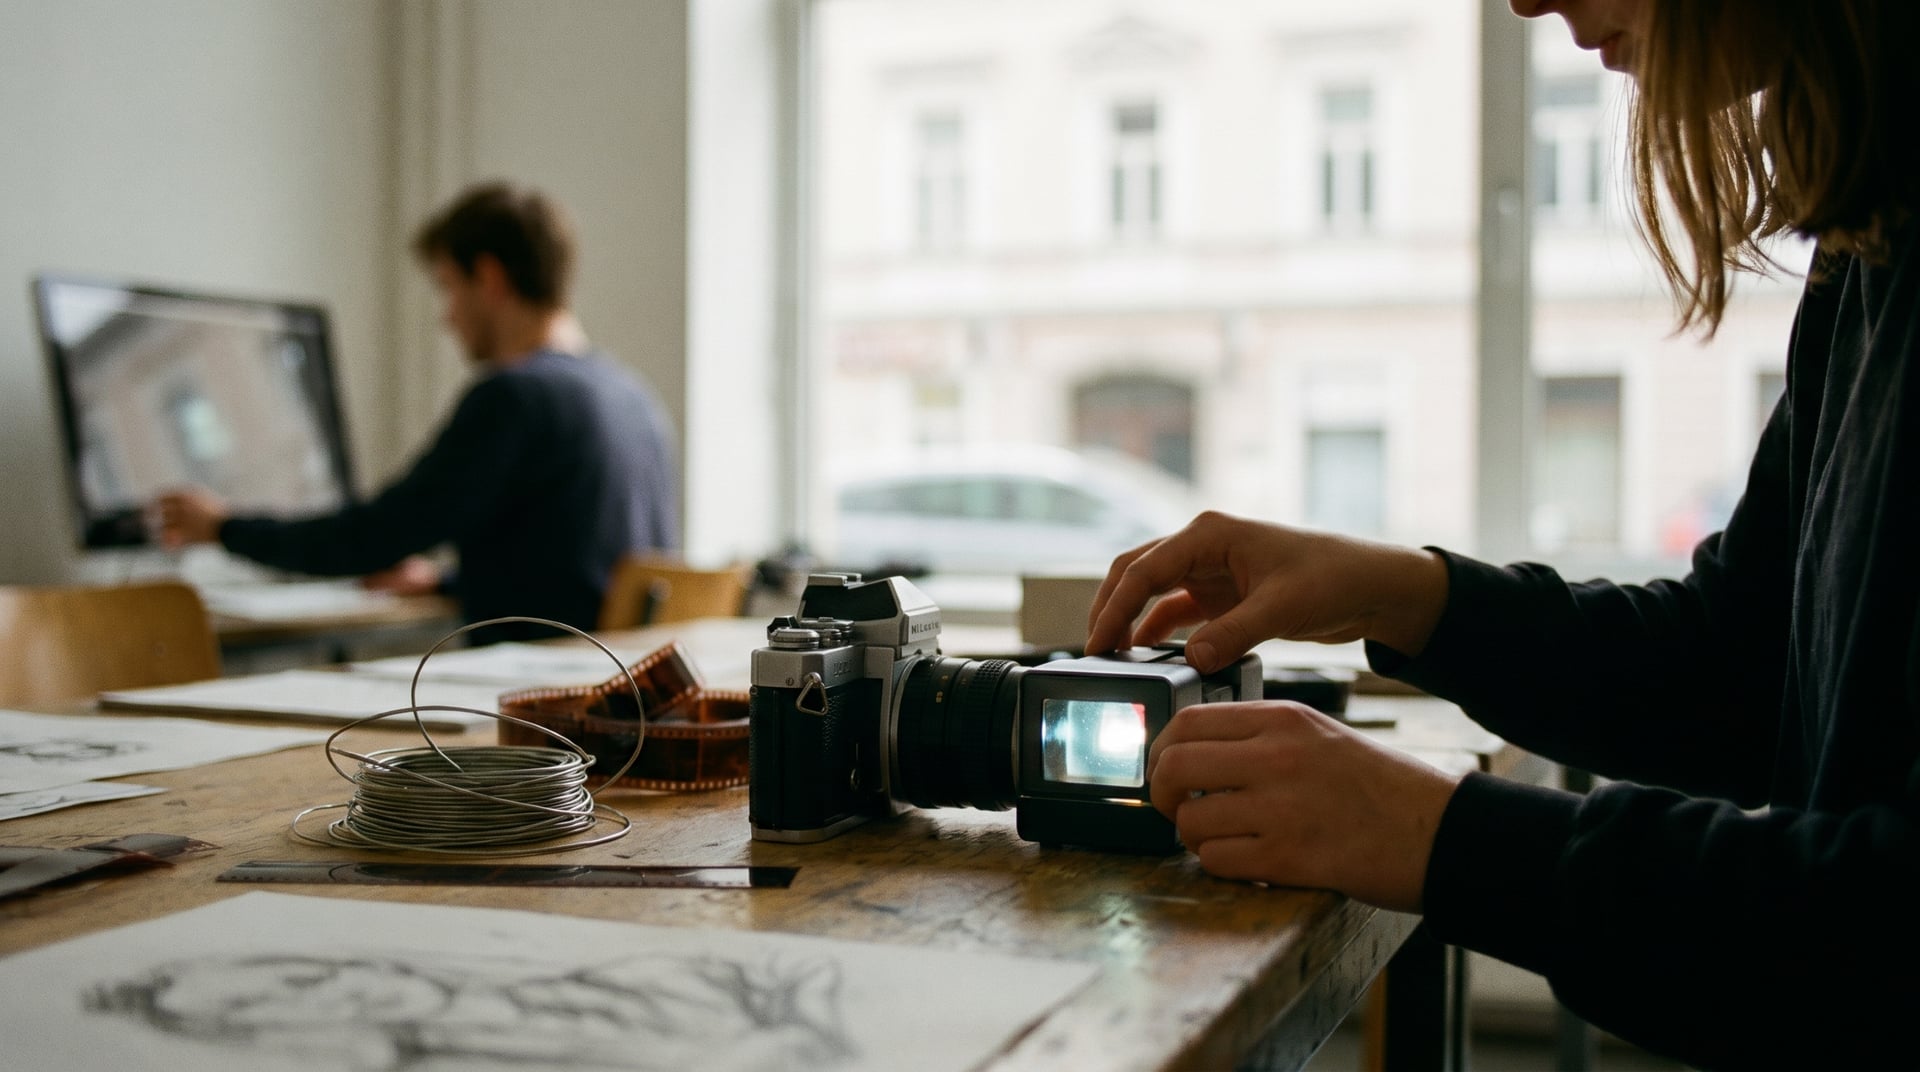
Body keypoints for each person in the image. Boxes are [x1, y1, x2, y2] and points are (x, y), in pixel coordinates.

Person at [1085, 0, 1920, 1066]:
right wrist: (1399, 593)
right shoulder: (1871, 231)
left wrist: (1437, 835)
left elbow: (1888, 935)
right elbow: (1742, 670)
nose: (1525, 2)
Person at [156, 183, 679, 645]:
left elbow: (375, 536)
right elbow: (579, 570)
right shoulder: (633, 398)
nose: (447, 317)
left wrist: (225, 527)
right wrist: (448, 582)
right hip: (603, 685)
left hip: (535, 700)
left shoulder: (516, 396)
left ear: (489, 277)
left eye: (449, 286)